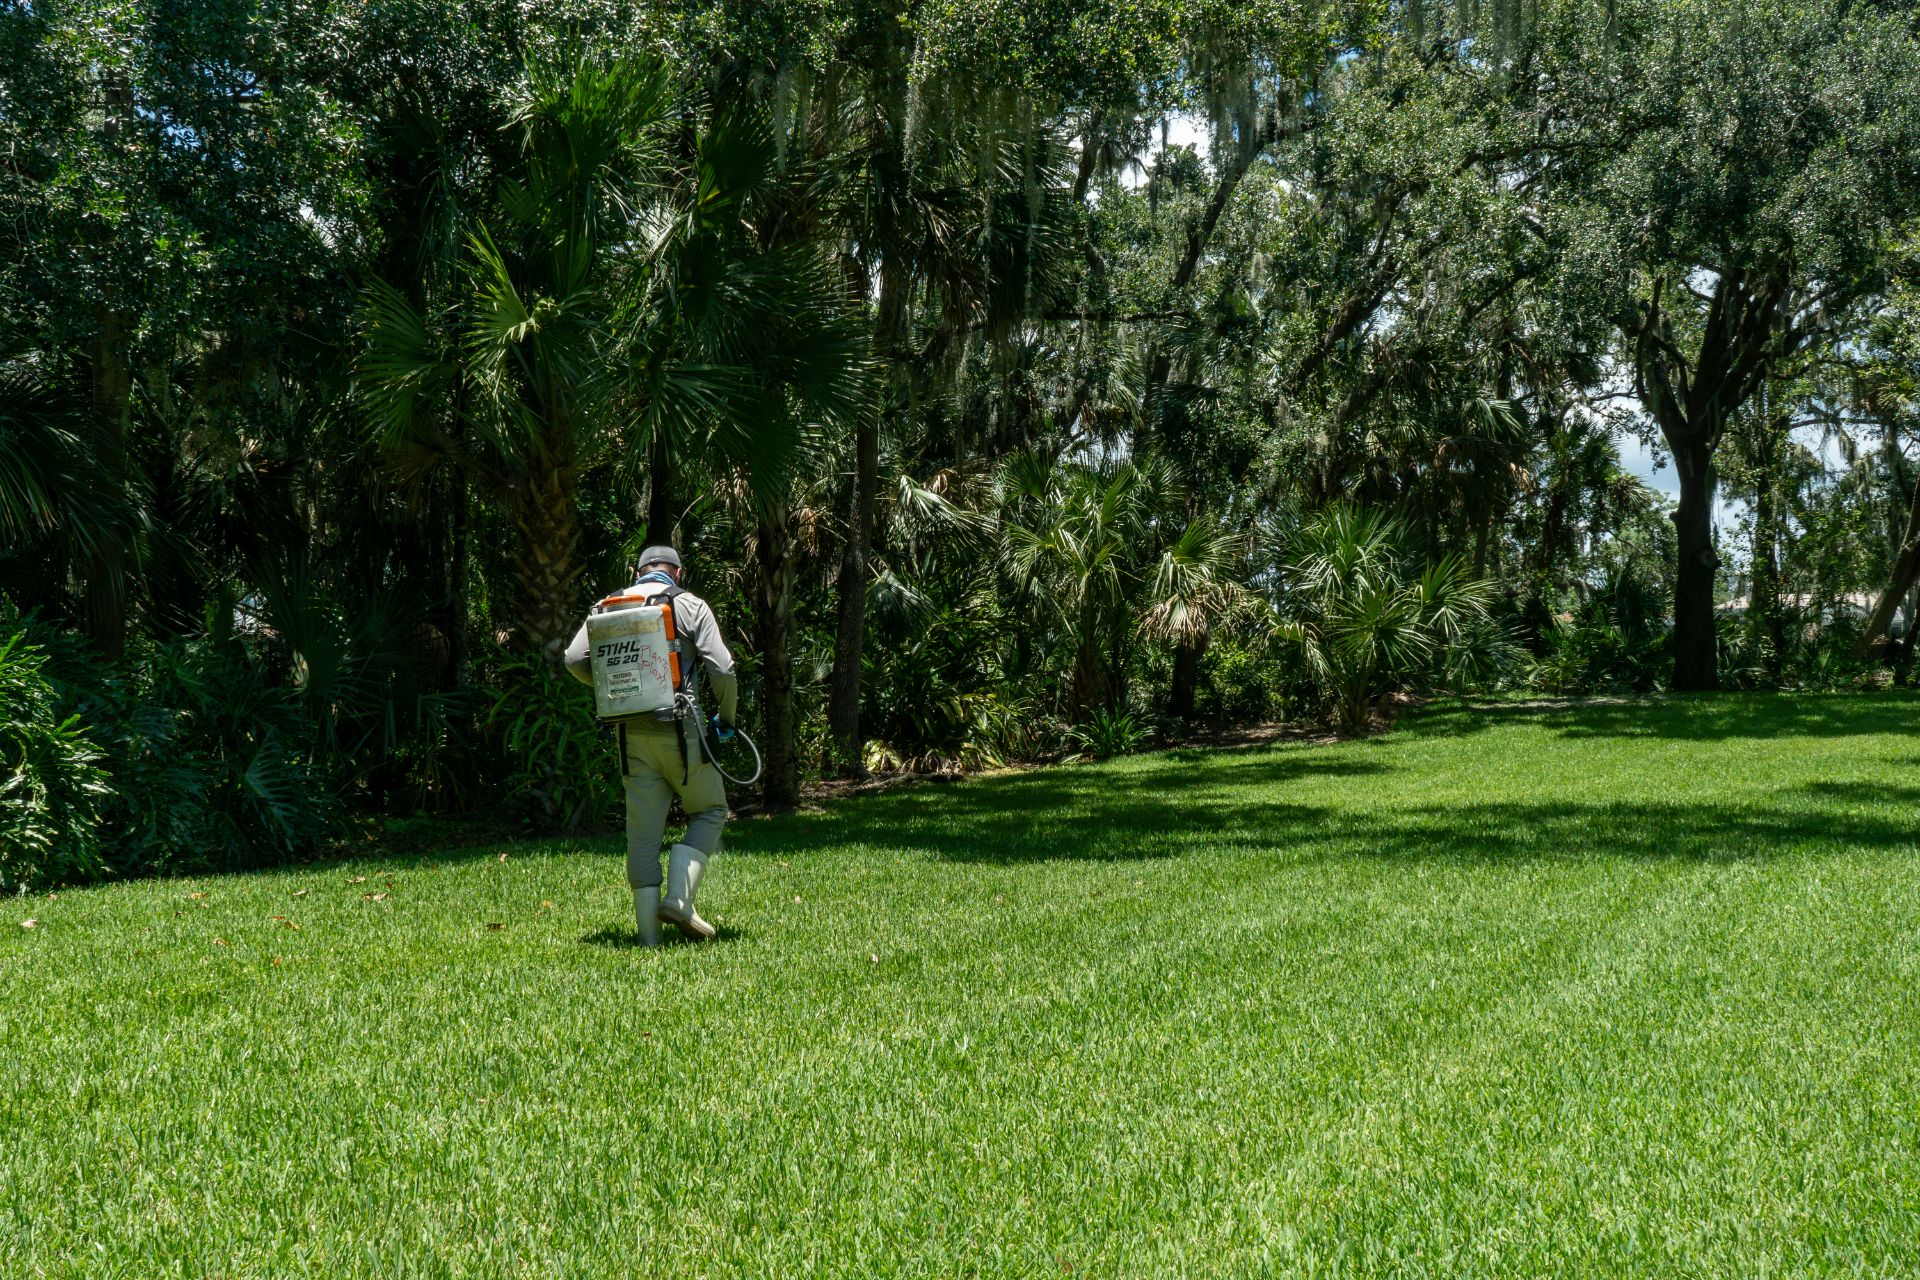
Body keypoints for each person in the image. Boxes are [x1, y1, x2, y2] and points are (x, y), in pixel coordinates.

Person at [564, 545, 738, 945]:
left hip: (631, 738)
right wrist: (726, 720)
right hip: (683, 732)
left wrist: (612, 690)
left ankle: (648, 940)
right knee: (711, 810)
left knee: (642, 837)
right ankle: (679, 898)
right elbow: (723, 667)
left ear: (637, 571)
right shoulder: (690, 605)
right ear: (678, 573)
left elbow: (574, 660)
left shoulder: (608, 606)